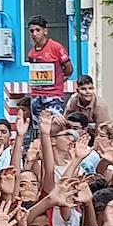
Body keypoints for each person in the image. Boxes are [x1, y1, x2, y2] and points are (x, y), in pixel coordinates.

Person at [23, 17, 72, 145]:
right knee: (37, 127)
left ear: (45, 31)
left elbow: (69, 69)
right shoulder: (31, 53)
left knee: (54, 126)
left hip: (53, 95)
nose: (34, 34)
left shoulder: (56, 47)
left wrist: (60, 79)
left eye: (37, 30)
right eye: (31, 31)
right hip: (36, 95)